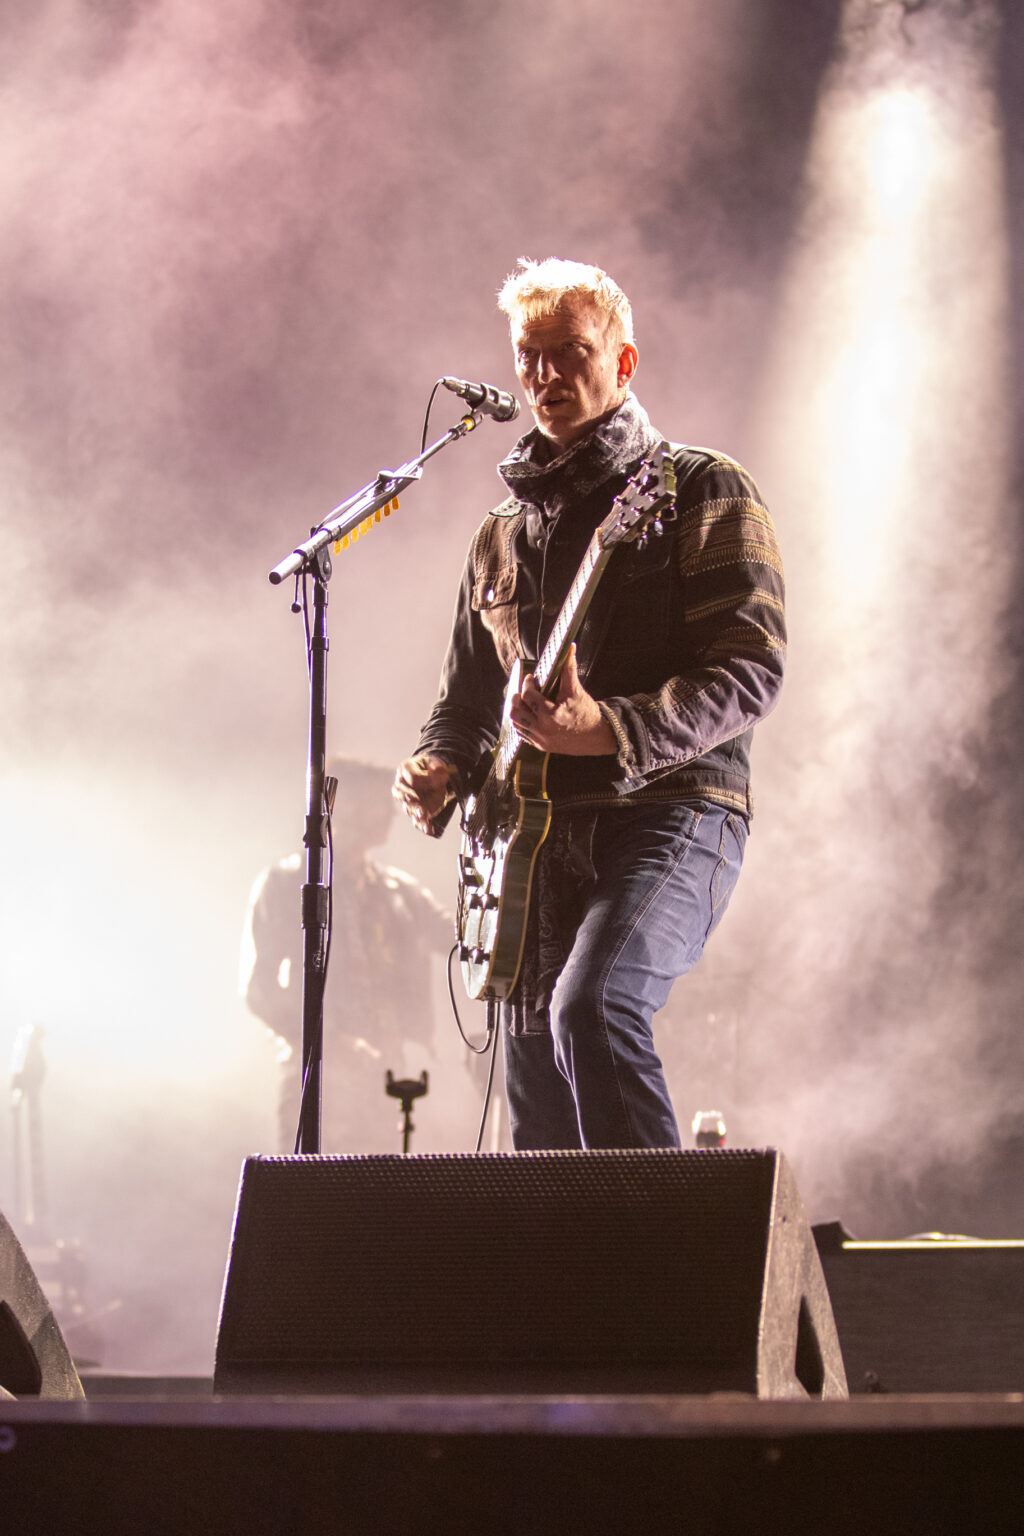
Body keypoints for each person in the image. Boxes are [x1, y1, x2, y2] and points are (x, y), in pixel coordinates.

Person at [393, 257, 786, 1151]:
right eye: (528, 356)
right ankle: (566, 1246)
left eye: (569, 351)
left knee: (594, 1006)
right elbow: (466, 700)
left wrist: (608, 728)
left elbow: (750, 667)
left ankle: (664, 1241)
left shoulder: (701, 487)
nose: (544, 375)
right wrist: (442, 765)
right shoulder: (499, 535)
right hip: (534, 837)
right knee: (534, 1087)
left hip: (674, 810)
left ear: (623, 361)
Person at [241, 756, 453, 1153]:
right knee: (312, 1188)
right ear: (344, 806)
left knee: (379, 1190)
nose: (391, 812)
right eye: (378, 802)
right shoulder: (288, 884)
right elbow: (259, 989)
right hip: (316, 1080)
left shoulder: (398, 892)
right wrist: (329, 1042)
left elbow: (457, 939)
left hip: (387, 1082)